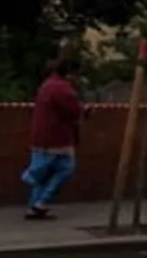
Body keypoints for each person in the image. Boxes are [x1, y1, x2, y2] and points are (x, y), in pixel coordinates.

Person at [21, 59, 85, 220]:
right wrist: (87, 112)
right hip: (57, 139)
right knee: (66, 168)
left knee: (44, 173)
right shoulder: (62, 88)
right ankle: (40, 201)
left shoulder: (46, 85)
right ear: (70, 74)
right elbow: (75, 109)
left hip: (41, 137)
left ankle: (35, 205)